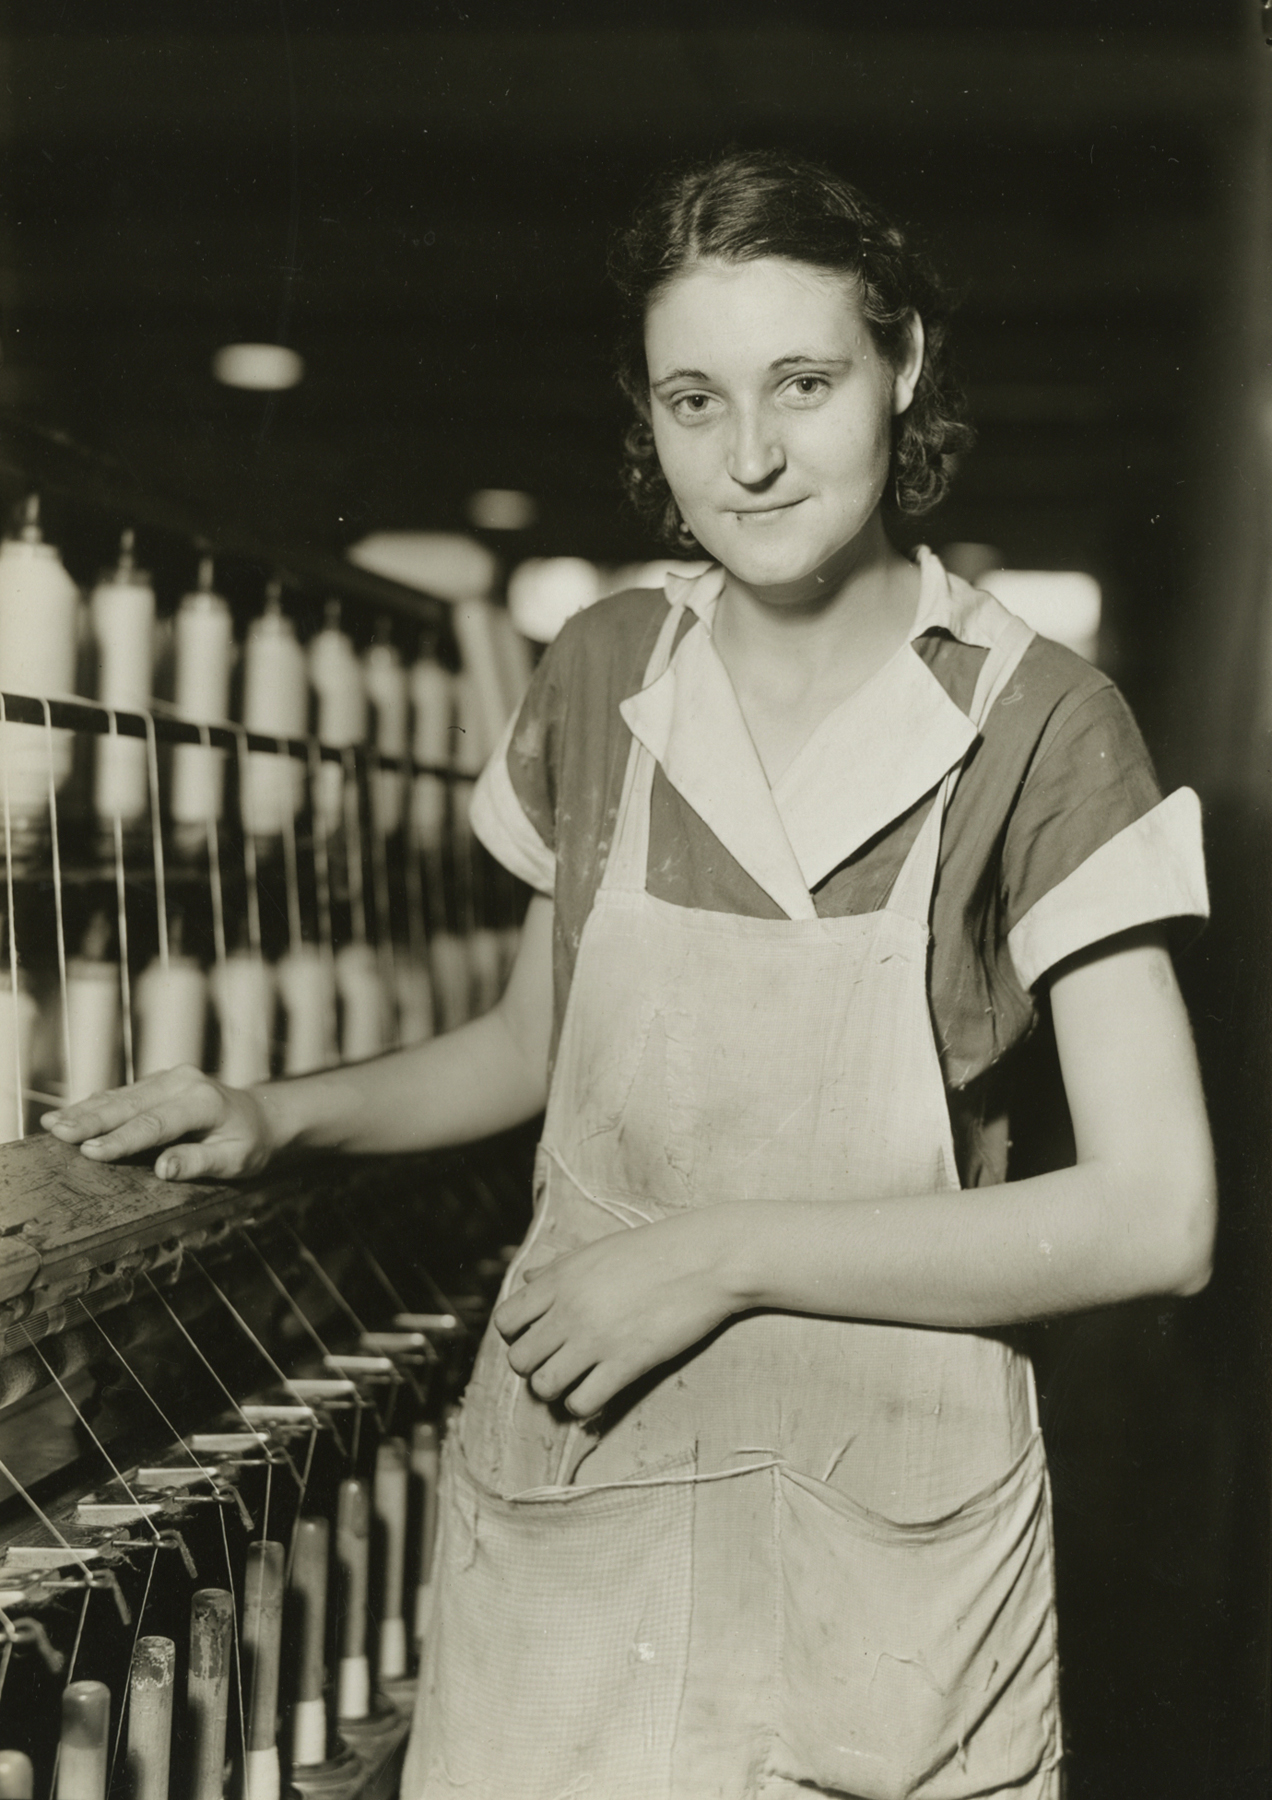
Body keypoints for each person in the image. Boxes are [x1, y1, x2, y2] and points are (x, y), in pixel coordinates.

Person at [43, 150, 1215, 1800]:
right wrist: (273, 1111)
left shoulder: (1041, 726)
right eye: (693, 400)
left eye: (804, 382)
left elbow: (1160, 1215)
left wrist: (715, 1260)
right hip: (586, 1494)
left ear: (903, 366)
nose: (750, 456)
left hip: (883, 1542)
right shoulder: (604, 670)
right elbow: (536, 1043)